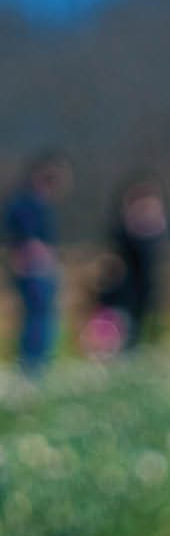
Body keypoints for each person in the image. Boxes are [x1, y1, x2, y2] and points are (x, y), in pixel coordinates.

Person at [4, 150, 72, 375]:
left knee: (41, 320)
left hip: (37, 271)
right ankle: (32, 368)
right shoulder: (27, 203)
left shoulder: (35, 203)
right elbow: (29, 243)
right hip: (35, 272)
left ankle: (36, 365)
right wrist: (50, 264)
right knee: (38, 321)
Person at [99, 176, 168, 348]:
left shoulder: (157, 228)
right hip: (125, 289)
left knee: (143, 321)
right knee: (124, 324)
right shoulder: (123, 230)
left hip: (146, 285)